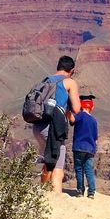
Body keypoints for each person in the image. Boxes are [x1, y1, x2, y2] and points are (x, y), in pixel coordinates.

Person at [33, 56, 81, 193]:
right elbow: (77, 109)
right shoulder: (69, 82)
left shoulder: (46, 80)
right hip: (53, 128)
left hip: (38, 127)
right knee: (58, 169)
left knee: (48, 163)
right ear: (72, 70)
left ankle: (42, 194)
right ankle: (55, 199)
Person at [72, 94, 98, 198]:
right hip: (90, 149)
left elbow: (72, 120)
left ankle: (80, 191)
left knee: (79, 169)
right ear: (92, 107)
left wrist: (68, 110)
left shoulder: (80, 115)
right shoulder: (94, 121)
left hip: (78, 147)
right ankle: (91, 192)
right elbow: (95, 138)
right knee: (89, 170)